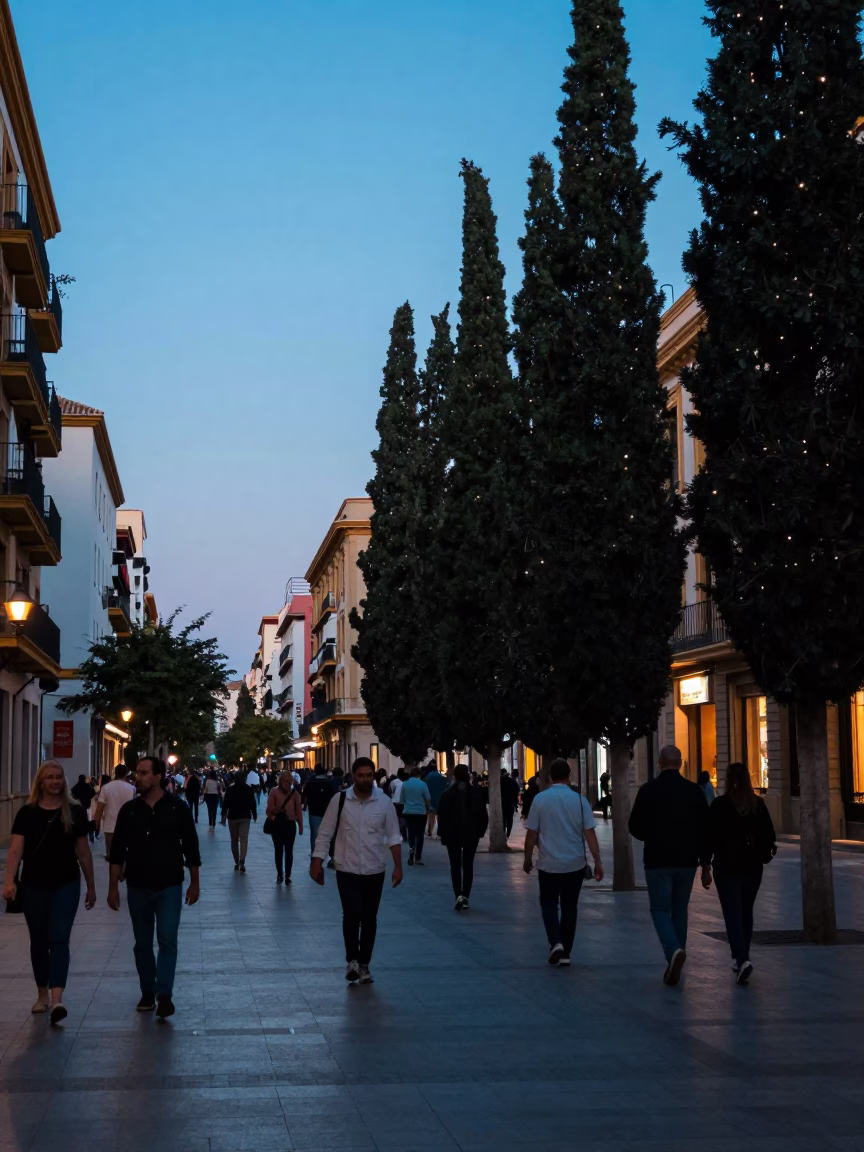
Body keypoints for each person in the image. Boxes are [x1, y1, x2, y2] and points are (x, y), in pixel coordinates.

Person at [2, 762, 97, 1024]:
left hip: (66, 883)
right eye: (50, 778)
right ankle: (41, 994)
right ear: (41, 782)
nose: (55, 781)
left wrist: (91, 886)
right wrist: (9, 881)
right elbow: (16, 850)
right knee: (39, 941)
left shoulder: (75, 812)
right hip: (33, 885)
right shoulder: (27, 813)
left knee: (60, 939)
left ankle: (57, 1000)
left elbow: (83, 852)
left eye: (59, 777)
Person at [108, 757, 200, 1019]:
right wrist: (112, 887)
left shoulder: (177, 809)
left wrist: (195, 882)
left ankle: (165, 994)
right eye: (137, 772)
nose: (138, 777)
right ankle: (148, 990)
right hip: (138, 885)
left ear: (159, 776)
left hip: (169, 885)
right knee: (142, 943)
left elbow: (191, 847)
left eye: (144, 773)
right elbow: (117, 852)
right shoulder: (129, 811)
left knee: (168, 939)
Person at [310, 756, 402, 983]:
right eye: (360, 775)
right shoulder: (339, 800)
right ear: (353, 776)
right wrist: (317, 861)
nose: (365, 779)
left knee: (370, 918)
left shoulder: (384, 803)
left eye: (369, 775)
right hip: (346, 867)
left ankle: (364, 964)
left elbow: (393, 836)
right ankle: (351, 960)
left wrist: (398, 866)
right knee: (351, 914)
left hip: (374, 869)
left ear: (374, 777)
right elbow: (325, 833)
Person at [629, 745, 710, 986]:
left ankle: (674, 950)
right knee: (680, 909)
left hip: (657, 860)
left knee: (659, 910)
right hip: (687, 861)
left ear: (659, 762)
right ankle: (677, 953)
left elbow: (635, 826)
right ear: (681, 763)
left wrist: (652, 835)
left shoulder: (648, 790)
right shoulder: (695, 791)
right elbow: (705, 830)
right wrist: (706, 865)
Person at [523, 759, 604, 966]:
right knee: (570, 906)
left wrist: (527, 858)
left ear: (550, 775)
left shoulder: (540, 800)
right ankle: (566, 952)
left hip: (548, 863)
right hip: (574, 864)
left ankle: (555, 942)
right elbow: (590, 834)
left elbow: (532, 834)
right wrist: (598, 860)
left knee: (548, 903)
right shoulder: (580, 801)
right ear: (569, 775)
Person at [705, 761, 776, 985]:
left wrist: (705, 864)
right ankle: (742, 957)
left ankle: (742, 958)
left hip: (726, 866)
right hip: (752, 867)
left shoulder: (719, 805)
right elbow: (769, 835)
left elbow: (709, 836)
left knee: (732, 913)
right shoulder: (758, 805)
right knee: (746, 911)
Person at [437, 763, 489, 910]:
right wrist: (480, 831)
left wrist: (443, 833)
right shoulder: (475, 793)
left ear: (455, 776)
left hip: (452, 835)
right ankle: (465, 896)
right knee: (468, 865)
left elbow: (442, 815)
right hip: (471, 835)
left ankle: (458, 895)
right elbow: (483, 815)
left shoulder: (447, 794)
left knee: (455, 865)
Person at [266, 771, 303, 883]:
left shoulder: (295, 794)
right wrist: (275, 810)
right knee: (279, 850)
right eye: (284, 781)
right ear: (280, 781)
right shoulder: (274, 791)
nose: (286, 784)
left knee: (288, 850)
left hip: (290, 825)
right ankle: (280, 874)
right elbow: (268, 810)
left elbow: (299, 812)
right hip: (277, 824)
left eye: (288, 782)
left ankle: (287, 875)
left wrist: (301, 826)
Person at [93, 765, 136, 860]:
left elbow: (99, 811)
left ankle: (113, 874)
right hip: (127, 827)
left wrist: (96, 827)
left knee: (112, 857)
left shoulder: (106, 788)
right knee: (125, 857)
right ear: (126, 774)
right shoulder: (131, 788)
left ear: (115, 773)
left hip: (110, 827)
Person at [220, 769, 258, 872]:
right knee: (244, 839)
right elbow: (252, 802)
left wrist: (223, 816)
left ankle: (237, 860)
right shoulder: (248, 789)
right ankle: (242, 860)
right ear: (243, 779)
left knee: (234, 840)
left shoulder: (230, 789)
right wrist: (254, 813)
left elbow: (225, 804)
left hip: (232, 817)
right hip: (245, 817)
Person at [302, 764, 335, 861]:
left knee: (314, 835)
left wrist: (304, 806)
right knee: (330, 834)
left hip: (314, 811)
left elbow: (305, 795)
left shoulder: (310, 782)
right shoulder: (329, 783)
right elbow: (334, 797)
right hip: (327, 812)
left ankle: (315, 855)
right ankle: (332, 856)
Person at [400, 766, 431, 866]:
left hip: (409, 811)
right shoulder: (423, 784)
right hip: (420, 812)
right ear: (419, 775)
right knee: (420, 834)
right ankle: (418, 857)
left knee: (411, 832)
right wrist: (428, 808)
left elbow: (402, 799)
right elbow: (428, 798)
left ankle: (411, 847)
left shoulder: (404, 784)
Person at [423, 761, 447, 839]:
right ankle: (440, 831)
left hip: (431, 799)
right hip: (440, 799)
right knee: (439, 817)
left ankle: (430, 831)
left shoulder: (428, 777)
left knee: (431, 817)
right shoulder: (441, 777)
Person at [501, 769, 520, 841]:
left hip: (502, 803)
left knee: (503, 819)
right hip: (510, 803)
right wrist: (515, 803)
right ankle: (507, 834)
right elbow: (517, 790)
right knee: (509, 820)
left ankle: (503, 833)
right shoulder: (513, 781)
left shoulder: (500, 781)